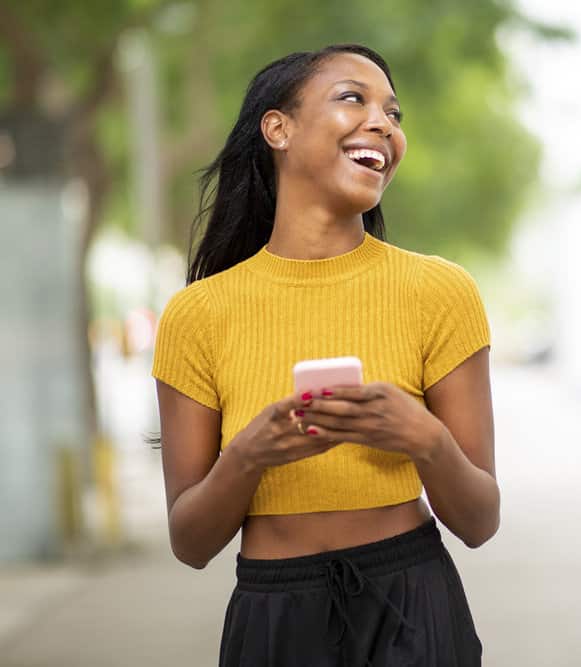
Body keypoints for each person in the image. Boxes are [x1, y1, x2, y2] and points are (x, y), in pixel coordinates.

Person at [151, 43, 498, 667]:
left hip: (414, 606)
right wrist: (250, 455)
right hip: (274, 616)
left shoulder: (440, 292)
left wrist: (422, 437)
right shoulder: (198, 315)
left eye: (394, 114)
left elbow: (479, 521)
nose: (383, 124)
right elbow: (191, 542)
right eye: (353, 99)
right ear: (278, 129)